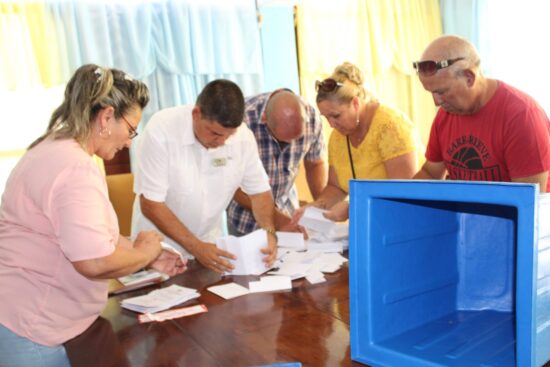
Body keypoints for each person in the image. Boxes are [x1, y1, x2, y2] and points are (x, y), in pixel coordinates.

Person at [0, 64, 186, 367]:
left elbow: (89, 238)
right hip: (35, 327)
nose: (130, 141)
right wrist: (144, 252)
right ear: (106, 116)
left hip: (23, 315)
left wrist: (148, 256)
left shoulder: (52, 148)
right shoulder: (75, 168)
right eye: (130, 129)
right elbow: (94, 261)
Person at [131, 79, 278, 274]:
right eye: (215, 133)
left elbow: (259, 192)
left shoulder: (243, 137)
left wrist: (268, 231)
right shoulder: (162, 129)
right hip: (158, 250)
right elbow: (151, 204)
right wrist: (196, 247)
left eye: (228, 135)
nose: (221, 142)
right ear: (196, 114)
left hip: (207, 249)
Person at [413, 35, 550, 191]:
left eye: (441, 92)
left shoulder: (522, 116)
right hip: (468, 214)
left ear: (469, 77)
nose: (436, 102)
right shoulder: (446, 114)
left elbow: (528, 200)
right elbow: (431, 174)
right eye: (431, 92)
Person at [293, 62, 423, 222]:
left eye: (335, 115)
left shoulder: (391, 126)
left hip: (409, 219)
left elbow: (403, 192)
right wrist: (315, 207)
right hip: (374, 222)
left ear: (355, 103)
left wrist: (351, 207)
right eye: (325, 117)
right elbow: (336, 187)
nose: (331, 124)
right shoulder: (338, 137)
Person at [226, 89, 327, 236]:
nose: (290, 144)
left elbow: (315, 164)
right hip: (246, 220)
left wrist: (322, 207)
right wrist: (277, 218)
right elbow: (231, 183)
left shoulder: (313, 118)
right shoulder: (240, 121)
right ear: (265, 118)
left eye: (295, 139)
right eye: (282, 140)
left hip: (288, 212)